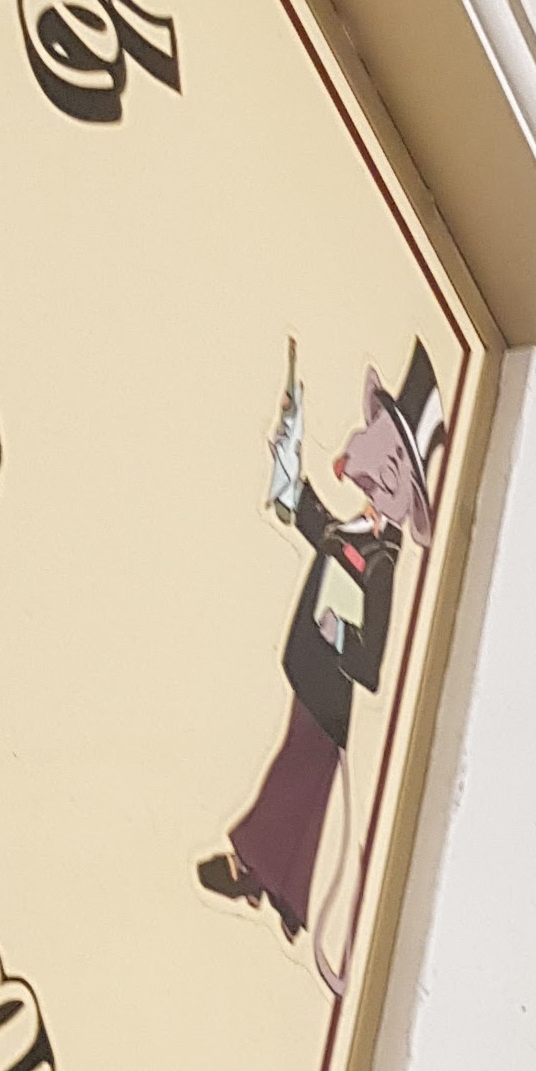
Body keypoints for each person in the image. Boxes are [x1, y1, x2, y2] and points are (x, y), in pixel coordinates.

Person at [198, 342, 443, 956]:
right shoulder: (351, 533)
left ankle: (253, 869)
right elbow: (302, 510)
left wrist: (339, 631)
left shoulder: (381, 562)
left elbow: (372, 665)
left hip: (328, 694)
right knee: (304, 788)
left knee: (297, 778)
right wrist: (288, 441)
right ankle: (287, 897)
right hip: (312, 680)